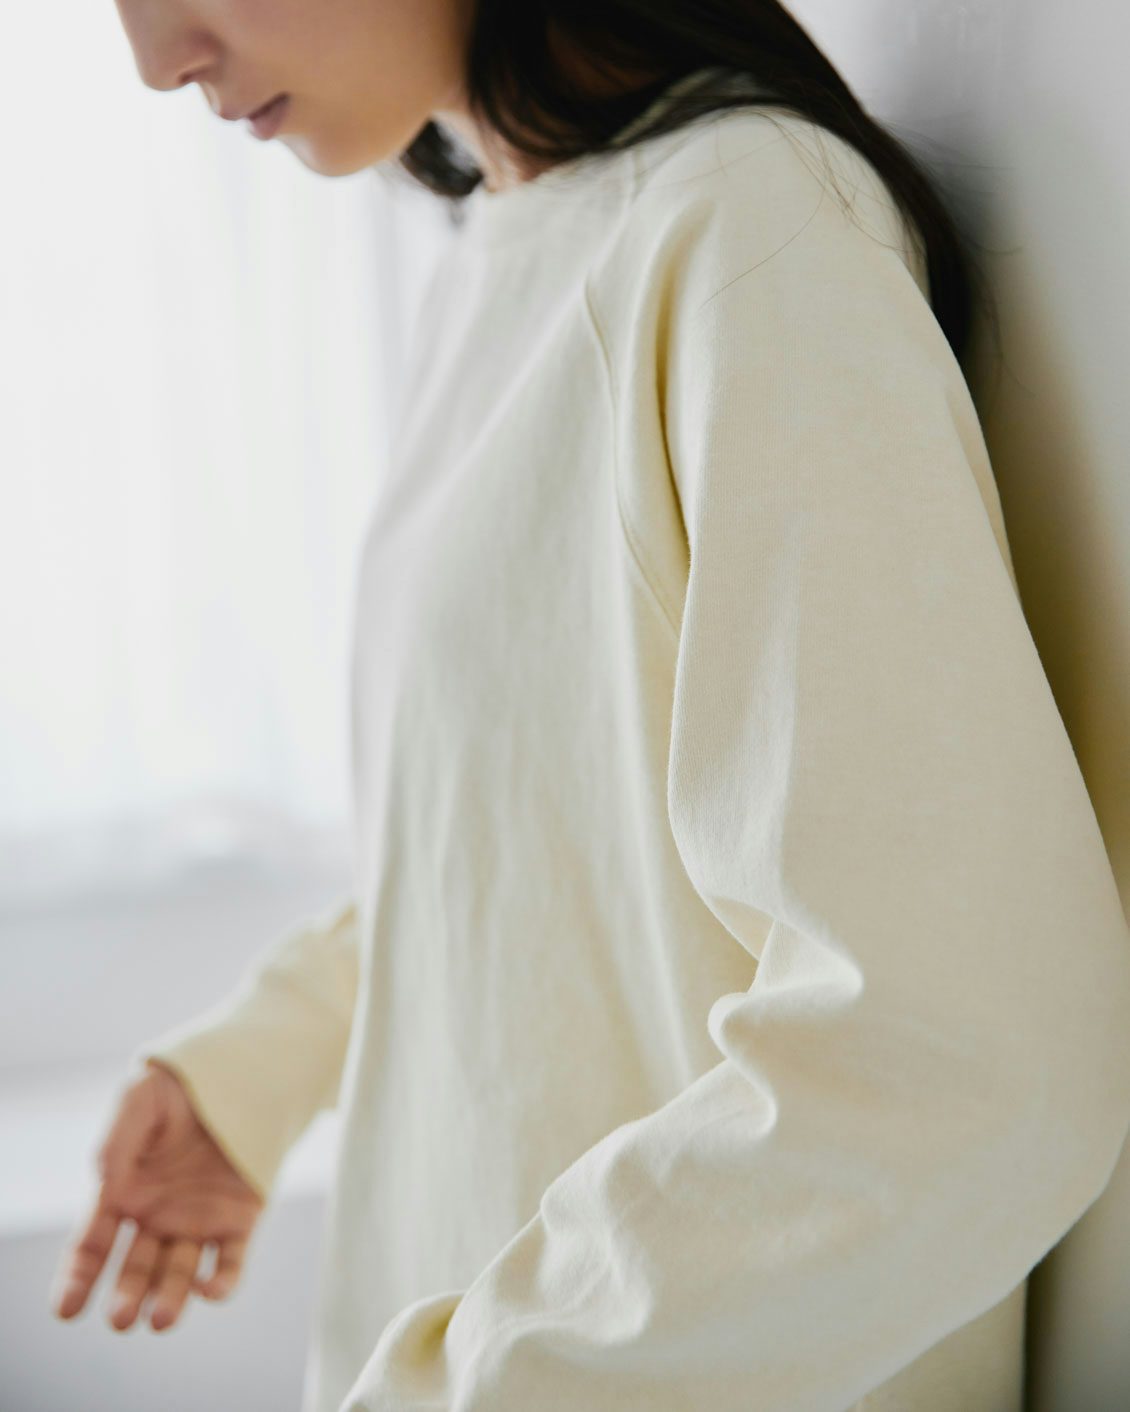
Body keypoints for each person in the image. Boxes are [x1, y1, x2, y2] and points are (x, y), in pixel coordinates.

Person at [51, 3, 1130, 1410]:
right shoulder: (500, 251)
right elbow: (526, 816)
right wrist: (260, 1066)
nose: (158, 59)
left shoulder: (743, 229)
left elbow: (960, 1056)